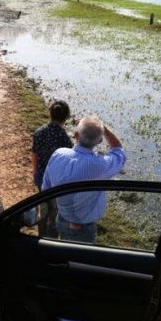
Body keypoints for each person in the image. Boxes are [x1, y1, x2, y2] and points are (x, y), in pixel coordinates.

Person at [42, 115, 126, 243]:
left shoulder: (58, 154)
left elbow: (46, 188)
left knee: (61, 248)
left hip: (61, 216)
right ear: (99, 142)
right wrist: (104, 129)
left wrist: (51, 214)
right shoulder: (100, 166)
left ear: (76, 135)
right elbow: (119, 151)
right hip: (82, 228)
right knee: (78, 259)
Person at [30, 100, 73, 191]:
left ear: (50, 113)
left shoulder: (39, 132)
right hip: (57, 180)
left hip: (41, 176)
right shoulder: (66, 139)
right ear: (67, 117)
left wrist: (35, 172)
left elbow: (34, 155)